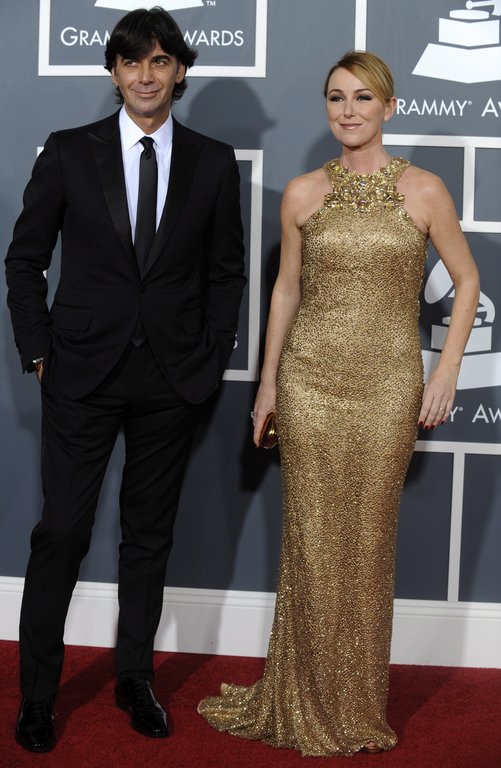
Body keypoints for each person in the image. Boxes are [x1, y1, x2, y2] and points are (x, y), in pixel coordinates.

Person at [198, 51, 479, 756]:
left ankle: (351, 703)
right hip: (310, 383)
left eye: (362, 97)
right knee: (312, 540)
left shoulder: (425, 190)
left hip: (387, 384)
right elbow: (286, 290)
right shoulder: (302, 193)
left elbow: (467, 281)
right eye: (335, 98)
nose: (348, 110)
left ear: (390, 106)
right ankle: (301, 695)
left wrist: (445, 370)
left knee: (367, 542)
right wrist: (267, 384)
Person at [5, 7, 245, 753]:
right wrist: (38, 349)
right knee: (62, 531)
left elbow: (226, 272)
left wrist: (209, 357)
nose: (146, 75)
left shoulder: (212, 161)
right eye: (132, 61)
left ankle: (134, 677)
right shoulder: (69, 151)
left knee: (148, 535)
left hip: (172, 378)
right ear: (113, 71)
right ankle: (38, 694)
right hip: (79, 370)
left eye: (159, 61)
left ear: (180, 71)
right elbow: (25, 259)